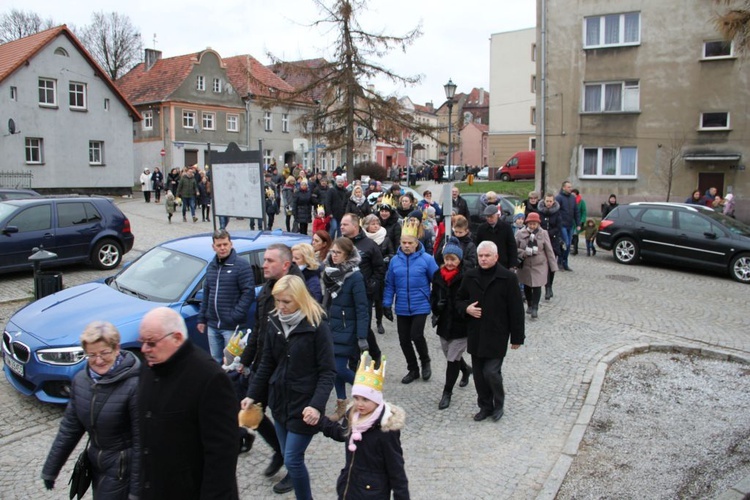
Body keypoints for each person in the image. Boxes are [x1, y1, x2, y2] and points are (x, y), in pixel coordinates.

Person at [241, 275, 336, 500]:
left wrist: (316, 405)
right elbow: (266, 363)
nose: (280, 307)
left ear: (300, 299)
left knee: (292, 458)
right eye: (278, 301)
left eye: (286, 302)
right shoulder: (274, 322)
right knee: (286, 453)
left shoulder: (317, 327)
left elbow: (328, 372)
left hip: (304, 406)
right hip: (280, 400)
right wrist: (252, 395)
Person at [138, 307, 239, 499]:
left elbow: (222, 454)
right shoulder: (149, 368)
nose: (144, 349)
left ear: (176, 338)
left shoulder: (210, 378)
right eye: (141, 342)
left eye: (151, 343)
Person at [41, 321, 140, 499]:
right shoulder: (81, 381)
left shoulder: (134, 385)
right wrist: (51, 469)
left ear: (116, 349)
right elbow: (70, 429)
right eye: (92, 354)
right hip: (96, 462)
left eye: (104, 353)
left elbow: (142, 442)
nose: (98, 360)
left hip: (122, 468)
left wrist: (136, 490)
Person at [239, 244, 305, 491]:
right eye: (264, 260)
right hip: (264, 362)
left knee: (284, 418)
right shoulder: (267, 288)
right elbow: (259, 327)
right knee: (253, 410)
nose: (263, 265)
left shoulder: (295, 291)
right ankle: (279, 449)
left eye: (269, 261)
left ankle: (292, 466)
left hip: (285, 368)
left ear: (285, 265)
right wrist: (245, 359)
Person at [318, 352, 409, 499]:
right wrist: (320, 421)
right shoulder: (353, 415)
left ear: (376, 400)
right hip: (349, 487)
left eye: (366, 399)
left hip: (372, 494)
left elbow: (396, 469)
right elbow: (342, 433)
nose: (359, 404)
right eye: (357, 398)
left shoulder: (386, 429)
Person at [456, 241, 525, 422]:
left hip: (497, 333)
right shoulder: (470, 276)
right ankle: (485, 406)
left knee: (491, 372)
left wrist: (517, 337)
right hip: (476, 333)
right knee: (479, 375)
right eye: (481, 256)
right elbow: (458, 300)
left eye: (487, 256)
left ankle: (499, 403)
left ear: (496, 257)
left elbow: (516, 310)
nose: (484, 259)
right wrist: (466, 309)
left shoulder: (508, 278)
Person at [383, 220, 439, 384]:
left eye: (410, 243)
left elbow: (437, 282)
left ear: (416, 243)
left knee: (416, 335)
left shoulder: (427, 259)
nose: (406, 246)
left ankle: (425, 361)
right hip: (402, 306)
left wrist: (436, 305)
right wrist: (386, 304)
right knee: (403, 339)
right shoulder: (395, 261)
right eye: (404, 243)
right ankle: (412, 368)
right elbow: (390, 284)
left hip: (420, 304)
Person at [321, 237, 369, 422]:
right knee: (334, 369)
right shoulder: (329, 272)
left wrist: (362, 336)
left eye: (338, 253)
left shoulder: (355, 276)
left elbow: (362, 308)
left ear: (347, 255)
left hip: (347, 329)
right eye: (332, 252)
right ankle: (342, 404)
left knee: (339, 368)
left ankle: (368, 393)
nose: (333, 256)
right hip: (331, 327)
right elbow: (327, 299)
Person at [197, 230, 255, 363]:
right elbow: (207, 292)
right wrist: (202, 318)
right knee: (215, 361)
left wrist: (235, 315)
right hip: (213, 325)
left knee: (232, 363)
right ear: (213, 247)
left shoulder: (241, 265)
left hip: (232, 327)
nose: (222, 248)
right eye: (219, 245)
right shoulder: (211, 266)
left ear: (231, 244)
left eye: (225, 244)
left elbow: (248, 292)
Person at [430, 238, 473, 410]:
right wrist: (436, 307)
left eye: (453, 259)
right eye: (447, 259)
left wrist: (464, 310)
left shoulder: (467, 276)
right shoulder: (437, 275)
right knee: (450, 355)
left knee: (451, 359)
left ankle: (447, 393)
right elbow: (433, 297)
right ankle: (466, 369)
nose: (449, 262)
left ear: (459, 260)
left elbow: (471, 299)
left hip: (461, 325)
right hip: (443, 323)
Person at [341, 213, 384, 360]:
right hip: (345, 293)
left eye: (345, 224)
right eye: (341, 224)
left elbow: (380, 269)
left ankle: (375, 355)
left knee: (363, 327)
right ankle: (354, 364)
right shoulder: (340, 243)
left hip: (364, 294)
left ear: (355, 225)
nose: (341, 227)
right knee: (349, 326)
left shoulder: (369, 245)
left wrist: (372, 286)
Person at [515, 212, 558, 319]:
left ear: (538, 224)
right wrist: (523, 252)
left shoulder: (543, 233)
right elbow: (514, 248)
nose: (532, 226)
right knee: (527, 286)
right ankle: (529, 304)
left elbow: (549, 250)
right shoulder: (520, 233)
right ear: (527, 223)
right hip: (525, 265)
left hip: (539, 265)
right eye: (530, 224)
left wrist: (553, 266)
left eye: (534, 224)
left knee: (537, 286)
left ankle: (535, 307)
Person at [363, 214, 395, 334]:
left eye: (377, 223)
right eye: (373, 224)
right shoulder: (364, 239)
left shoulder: (385, 238)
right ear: (367, 226)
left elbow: (391, 253)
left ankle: (379, 322)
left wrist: (386, 258)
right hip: (367, 273)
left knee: (379, 300)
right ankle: (367, 325)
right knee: (367, 301)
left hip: (381, 272)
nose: (376, 226)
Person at [474, 205, 518, 270]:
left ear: (497, 215)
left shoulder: (506, 227)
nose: (489, 219)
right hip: (486, 263)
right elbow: (478, 246)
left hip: (503, 263)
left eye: (491, 216)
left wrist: (513, 264)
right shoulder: (481, 229)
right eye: (487, 217)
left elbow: (512, 246)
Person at [538, 193, 562, 300]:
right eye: (547, 201)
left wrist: (549, 233)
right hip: (542, 241)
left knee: (551, 265)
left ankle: (549, 287)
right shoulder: (540, 212)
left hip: (553, 241)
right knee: (543, 265)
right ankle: (545, 285)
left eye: (550, 201)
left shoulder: (557, 213)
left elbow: (559, 227)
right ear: (544, 201)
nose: (548, 203)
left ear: (553, 202)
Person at [555, 181, 580, 271]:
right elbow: (556, 211)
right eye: (568, 187)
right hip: (562, 225)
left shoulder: (573, 198)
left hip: (570, 225)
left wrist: (578, 224)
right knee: (566, 243)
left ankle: (565, 263)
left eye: (571, 187)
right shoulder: (559, 198)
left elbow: (576, 211)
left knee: (569, 246)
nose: (570, 188)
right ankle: (560, 262)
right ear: (563, 188)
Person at [570, 188, 587, 256]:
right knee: (570, 235)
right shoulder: (569, 201)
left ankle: (575, 249)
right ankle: (570, 247)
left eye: (574, 195)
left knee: (575, 235)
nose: (573, 196)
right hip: (570, 221)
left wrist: (582, 221)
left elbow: (584, 212)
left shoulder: (581, 202)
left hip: (577, 222)